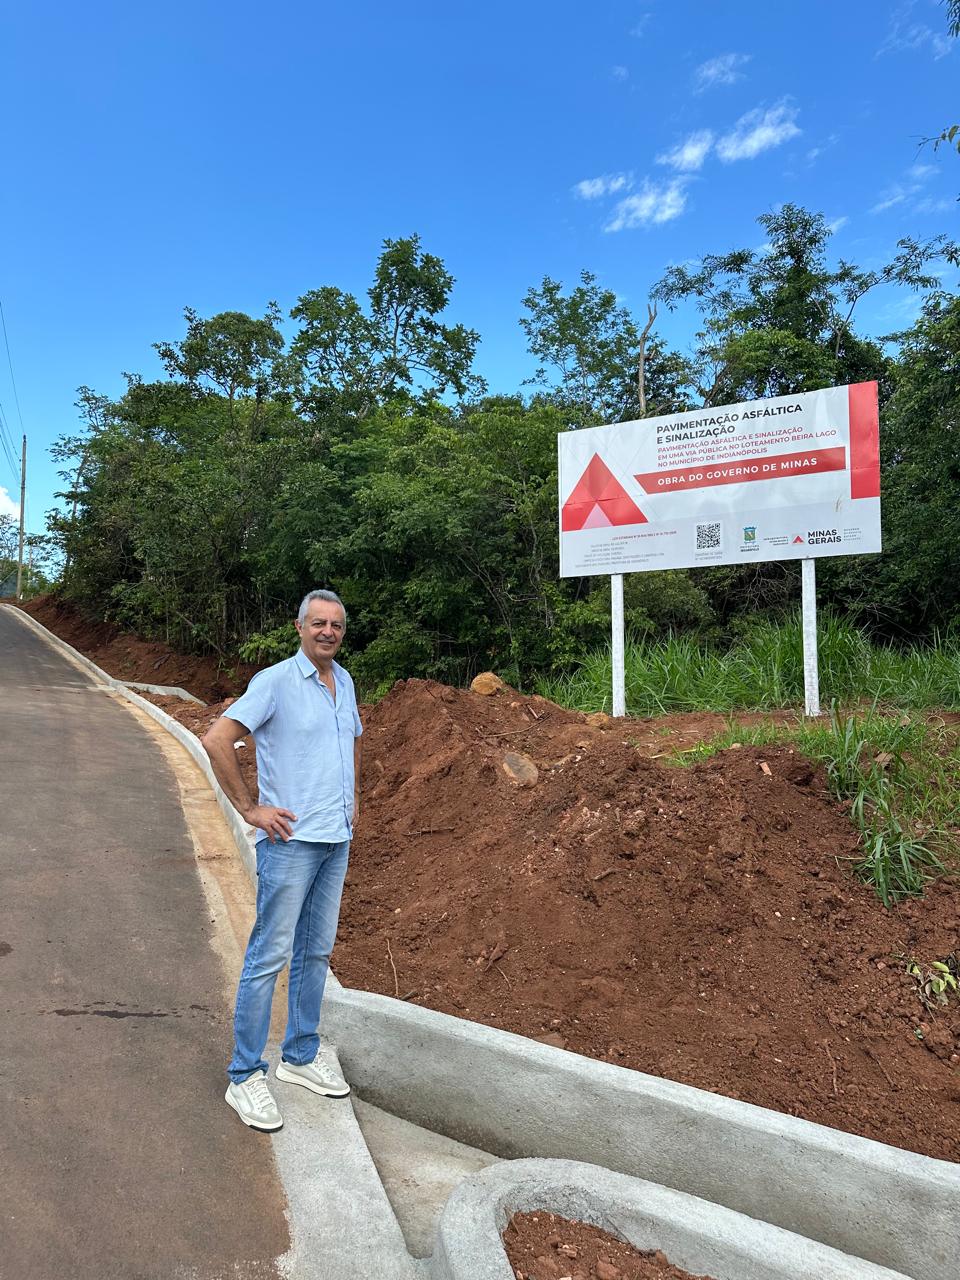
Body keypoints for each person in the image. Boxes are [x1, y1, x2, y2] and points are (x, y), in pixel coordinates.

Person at [202, 588, 362, 1131]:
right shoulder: (273, 683)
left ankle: (299, 1055)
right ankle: (245, 1076)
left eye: (336, 625)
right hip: (290, 844)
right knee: (269, 955)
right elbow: (218, 738)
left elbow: (352, 741)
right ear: (299, 627)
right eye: (318, 623)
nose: (327, 632)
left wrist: (352, 799)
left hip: (333, 839)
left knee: (316, 952)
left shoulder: (345, 683)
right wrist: (249, 807)